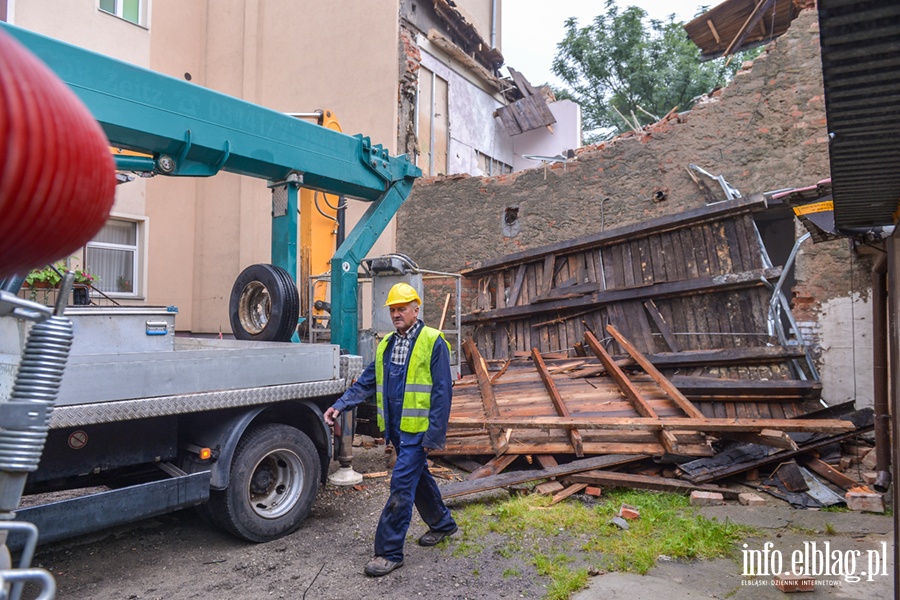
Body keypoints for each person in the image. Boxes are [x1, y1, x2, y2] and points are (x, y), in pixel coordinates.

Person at [324, 282, 458, 577]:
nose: (397, 314)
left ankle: (389, 552)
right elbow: (366, 382)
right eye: (393, 309)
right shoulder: (387, 344)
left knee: (400, 486)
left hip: (417, 432)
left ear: (415, 309)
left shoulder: (432, 341)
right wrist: (340, 405)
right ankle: (443, 524)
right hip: (396, 430)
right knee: (417, 479)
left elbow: (442, 393)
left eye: (402, 308)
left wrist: (434, 435)